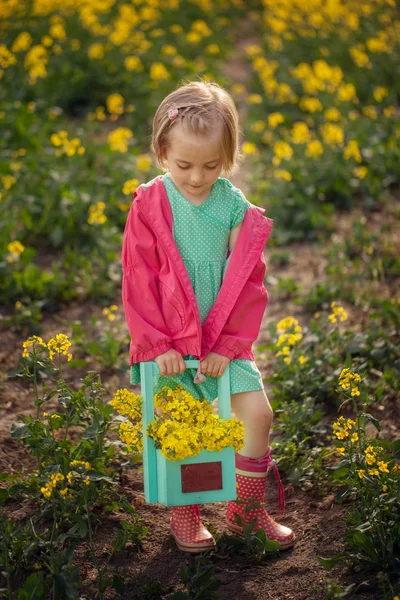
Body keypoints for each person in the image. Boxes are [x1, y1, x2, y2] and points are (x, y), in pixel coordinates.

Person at [121, 80, 295, 553]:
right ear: (161, 152)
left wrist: (227, 344)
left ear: (228, 157)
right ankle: (186, 514)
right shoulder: (152, 204)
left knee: (257, 415)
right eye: (184, 165)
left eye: (210, 165)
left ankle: (245, 513)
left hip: (223, 340)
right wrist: (158, 346)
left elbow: (248, 282)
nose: (197, 177)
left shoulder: (232, 207)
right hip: (171, 345)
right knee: (186, 429)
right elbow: (139, 279)